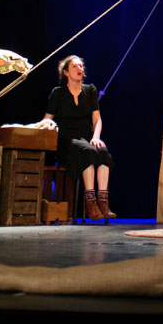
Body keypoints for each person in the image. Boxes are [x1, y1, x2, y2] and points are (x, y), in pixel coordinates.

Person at [43, 55, 116, 221]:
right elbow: (47, 118)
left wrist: (96, 136)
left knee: (102, 151)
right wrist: (46, 127)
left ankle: (103, 203)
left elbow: (97, 119)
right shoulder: (58, 93)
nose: (79, 69)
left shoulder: (90, 90)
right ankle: (90, 204)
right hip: (66, 139)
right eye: (75, 66)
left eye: (81, 66)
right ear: (66, 72)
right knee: (88, 151)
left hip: (85, 138)